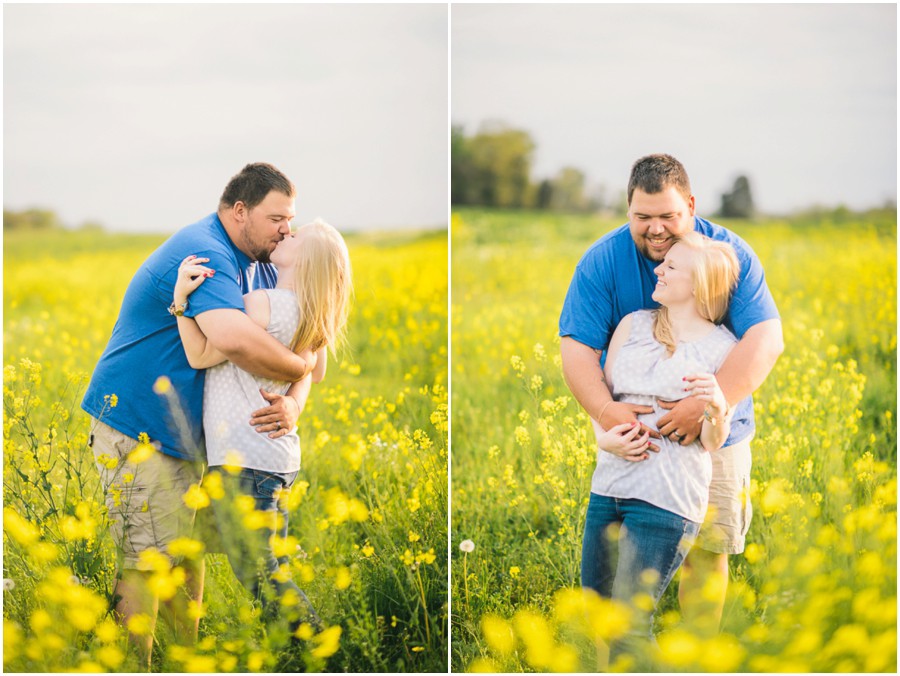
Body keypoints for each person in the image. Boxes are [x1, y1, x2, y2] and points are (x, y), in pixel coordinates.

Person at [82, 163, 314, 667]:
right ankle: (132, 665)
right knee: (147, 560)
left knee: (184, 554)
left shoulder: (264, 261)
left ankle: (185, 662)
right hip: (140, 423)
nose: (287, 230)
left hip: (189, 434)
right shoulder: (207, 252)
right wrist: (301, 365)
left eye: (290, 219)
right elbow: (230, 340)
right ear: (239, 211)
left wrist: (296, 397)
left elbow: (312, 333)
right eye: (277, 217)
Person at [559, 154, 783, 634]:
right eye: (643, 217)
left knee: (705, 553)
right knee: (622, 563)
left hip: (716, 434)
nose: (656, 229)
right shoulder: (603, 261)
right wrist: (605, 413)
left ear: (691, 206)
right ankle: (627, 644)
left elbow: (765, 339)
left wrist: (706, 404)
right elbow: (578, 348)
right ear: (627, 211)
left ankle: (699, 652)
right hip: (635, 439)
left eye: (668, 216)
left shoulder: (728, 253)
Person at [171, 218, 352, 632]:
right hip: (278, 458)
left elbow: (199, 355)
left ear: (306, 260)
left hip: (245, 459)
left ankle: (320, 647)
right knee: (276, 566)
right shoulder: (312, 313)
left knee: (259, 573)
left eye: (297, 235)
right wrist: (291, 400)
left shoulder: (260, 303)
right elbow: (314, 373)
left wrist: (181, 302)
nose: (288, 232)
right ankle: (295, 658)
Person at [580, 232, 739, 655]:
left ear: (699, 284)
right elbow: (604, 400)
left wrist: (716, 405)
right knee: (599, 612)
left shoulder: (723, 348)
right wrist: (605, 440)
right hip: (609, 487)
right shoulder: (632, 324)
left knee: (629, 625)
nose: (658, 269)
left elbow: (712, 441)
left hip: (666, 498)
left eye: (671, 267)